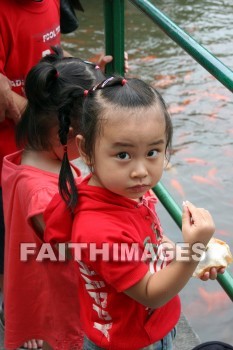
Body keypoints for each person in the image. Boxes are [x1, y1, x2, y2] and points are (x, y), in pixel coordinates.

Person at [44, 76, 224, 350]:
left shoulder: (124, 190)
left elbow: (148, 246)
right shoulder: (98, 228)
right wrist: (195, 248)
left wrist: (187, 258)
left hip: (148, 328)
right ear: (85, 150)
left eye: (153, 151)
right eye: (123, 155)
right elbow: (151, 294)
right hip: (131, 341)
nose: (141, 170)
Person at [1, 48, 105, 350]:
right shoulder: (43, 193)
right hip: (60, 307)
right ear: (69, 135)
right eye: (92, 138)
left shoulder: (29, 161)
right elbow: (80, 252)